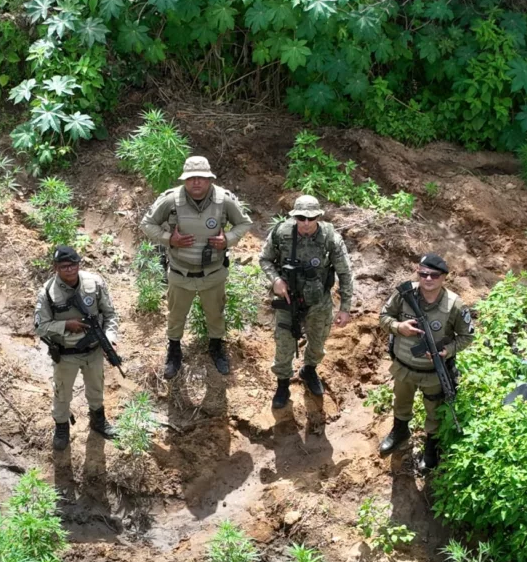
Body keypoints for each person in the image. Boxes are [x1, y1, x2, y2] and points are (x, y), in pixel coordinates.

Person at [138, 153, 251, 380]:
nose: (196, 182)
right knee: (176, 315)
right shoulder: (171, 200)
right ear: (184, 180)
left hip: (213, 273)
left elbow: (244, 223)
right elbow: (147, 223)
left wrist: (227, 240)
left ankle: (216, 348)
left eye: (201, 177)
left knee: (215, 314)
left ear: (209, 179)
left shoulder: (224, 200)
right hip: (181, 272)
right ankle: (174, 351)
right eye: (191, 178)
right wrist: (169, 238)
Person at [258, 193, 355, 409]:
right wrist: (275, 280)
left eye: (311, 218)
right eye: (301, 218)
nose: (306, 223)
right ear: (295, 217)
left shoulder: (330, 238)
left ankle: (309, 370)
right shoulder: (281, 233)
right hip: (288, 299)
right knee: (283, 345)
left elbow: (345, 273)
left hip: (319, 301)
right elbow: (264, 259)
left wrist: (345, 308)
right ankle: (283, 383)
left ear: (319, 217)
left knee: (318, 343)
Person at [379, 253, 475, 470]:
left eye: (434, 275)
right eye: (423, 274)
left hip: (433, 372)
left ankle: (432, 447)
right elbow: (384, 316)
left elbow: (467, 336)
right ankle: (400, 431)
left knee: (434, 411)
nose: (428, 279)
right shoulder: (404, 294)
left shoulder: (454, 305)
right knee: (401, 402)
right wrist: (398, 327)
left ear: (443, 277)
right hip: (404, 366)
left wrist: (447, 351)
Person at [33, 244, 120, 449]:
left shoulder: (95, 283)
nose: (70, 270)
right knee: (62, 393)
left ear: (79, 264)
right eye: (64, 266)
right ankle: (62, 427)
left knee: (96, 388)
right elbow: (40, 327)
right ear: (56, 267)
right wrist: (65, 325)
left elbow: (110, 314)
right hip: (66, 354)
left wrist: (110, 337)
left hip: (94, 349)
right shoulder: (47, 293)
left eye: (73, 265)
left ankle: (98, 420)